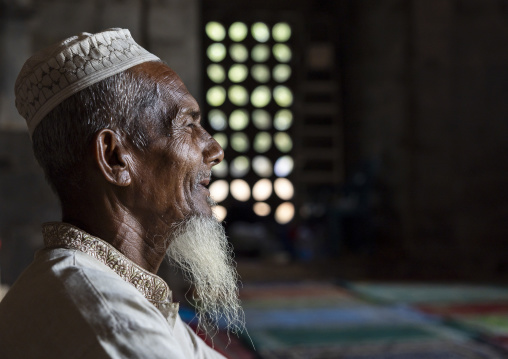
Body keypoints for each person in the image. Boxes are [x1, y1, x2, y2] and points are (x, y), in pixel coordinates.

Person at [0, 28, 245, 358]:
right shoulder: (110, 317)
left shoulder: (112, 287)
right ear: (115, 158)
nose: (214, 149)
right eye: (188, 124)